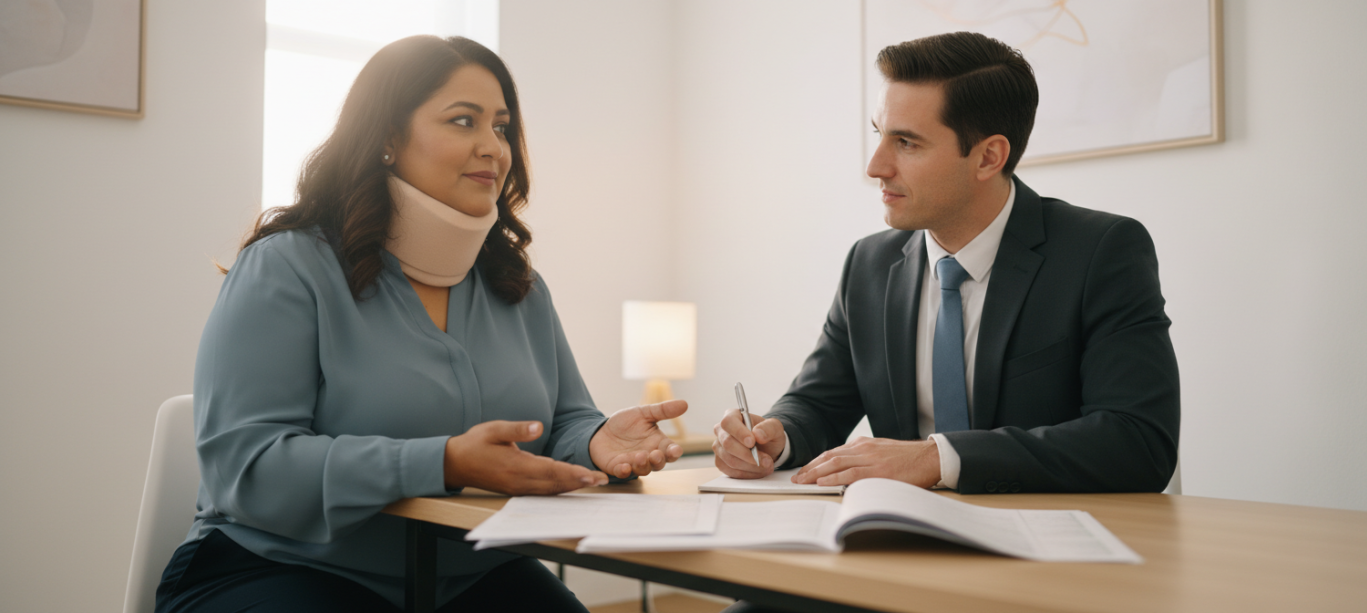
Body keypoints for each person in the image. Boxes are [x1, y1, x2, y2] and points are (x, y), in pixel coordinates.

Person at [155, 36, 686, 613]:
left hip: (466, 573)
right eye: (464, 121)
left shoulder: (516, 286)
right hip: (280, 567)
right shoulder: (287, 268)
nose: (493, 148)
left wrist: (596, 442)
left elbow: (560, 421)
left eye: (502, 127)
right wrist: (444, 462)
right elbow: (249, 467)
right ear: (386, 138)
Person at [713, 32, 1180, 497]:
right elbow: (818, 401)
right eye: (879, 135)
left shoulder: (1101, 251)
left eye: (907, 143)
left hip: (1049, 545)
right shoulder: (869, 263)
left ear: (988, 157)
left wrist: (935, 457)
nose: (875, 166)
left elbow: (1137, 441)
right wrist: (777, 435)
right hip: (901, 538)